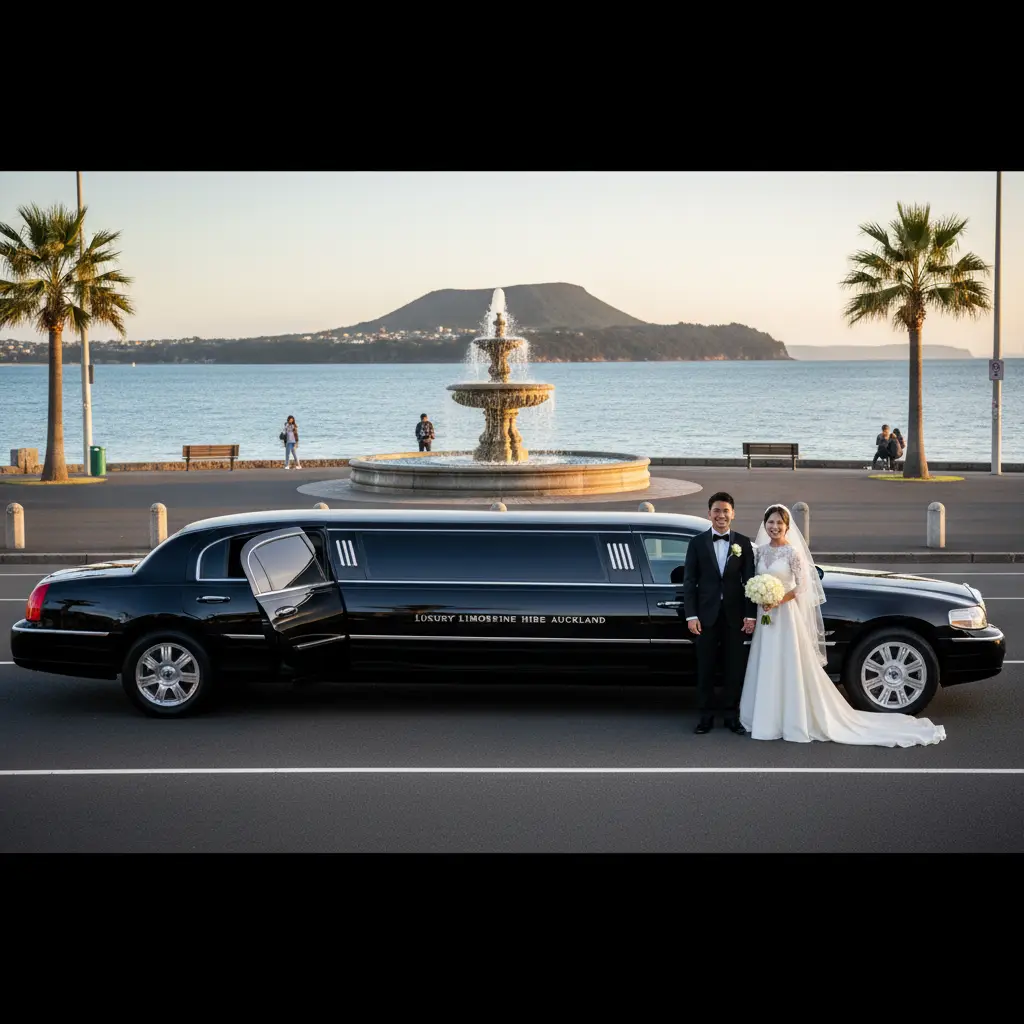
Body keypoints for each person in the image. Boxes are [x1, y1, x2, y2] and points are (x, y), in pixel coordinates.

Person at [738, 504, 946, 746]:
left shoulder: (792, 553)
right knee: (767, 661)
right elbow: (754, 580)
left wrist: (777, 599)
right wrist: (761, 597)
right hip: (766, 618)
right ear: (765, 524)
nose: (774, 527)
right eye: (770, 522)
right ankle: (765, 717)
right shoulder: (760, 552)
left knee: (787, 663)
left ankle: (792, 718)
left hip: (785, 615)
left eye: (778, 523)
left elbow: (803, 587)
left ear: (786, 526)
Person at [681, 491, 757, 735]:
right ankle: (705, 717)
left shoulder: (743, 543)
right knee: (705, 668)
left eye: (725, 510)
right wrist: (691, 615)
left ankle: (731, 717)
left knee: (734, 669)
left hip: (735, 618)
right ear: (709, 514)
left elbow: (751, 581)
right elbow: (689, 582)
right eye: (716, 510)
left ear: (733, 514)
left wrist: (750, 615)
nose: (721, 515)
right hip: (705, 618)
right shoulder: (697, 543)